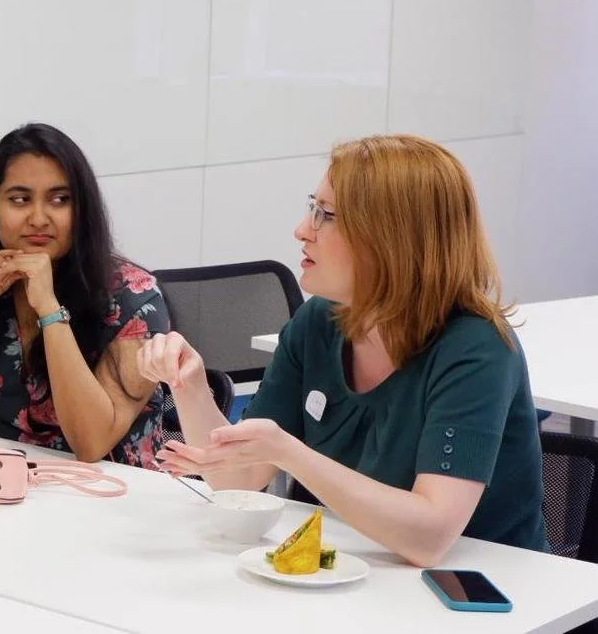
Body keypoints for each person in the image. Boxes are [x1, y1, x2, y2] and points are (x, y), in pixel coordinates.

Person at [139, 134, 547, 565]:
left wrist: (287, 451)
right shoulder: (321, 320)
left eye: (325, 215)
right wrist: (189, 383)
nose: (302, 230)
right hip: (367, 576)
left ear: (392, 238)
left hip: (492, 597)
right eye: (311, 207)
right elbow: (239, 479)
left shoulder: (476, 347)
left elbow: (429, 538)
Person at [0, 123, 171, 468]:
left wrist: (48, 308)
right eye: (20, 199)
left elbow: (91, 444)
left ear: (82, 209)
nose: (39, 218)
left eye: (60, 200)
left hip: (115, 498)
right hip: (4, 492)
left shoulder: (136, 299)